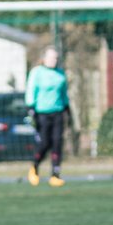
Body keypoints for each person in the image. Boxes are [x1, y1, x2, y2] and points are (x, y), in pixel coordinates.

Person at [25, 46, 72, 188]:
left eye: (56, 58)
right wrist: (30, 108)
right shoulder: (37, 72)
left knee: (57, 142)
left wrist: (67, 109)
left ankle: (55, 174)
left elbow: (63, 93)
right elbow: (31, 90)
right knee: (45, 143)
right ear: (44, 58)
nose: (54, 60)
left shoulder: (60, 74)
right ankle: (35, 167)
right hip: (42, 113)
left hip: (57, 112)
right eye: (51, 57)